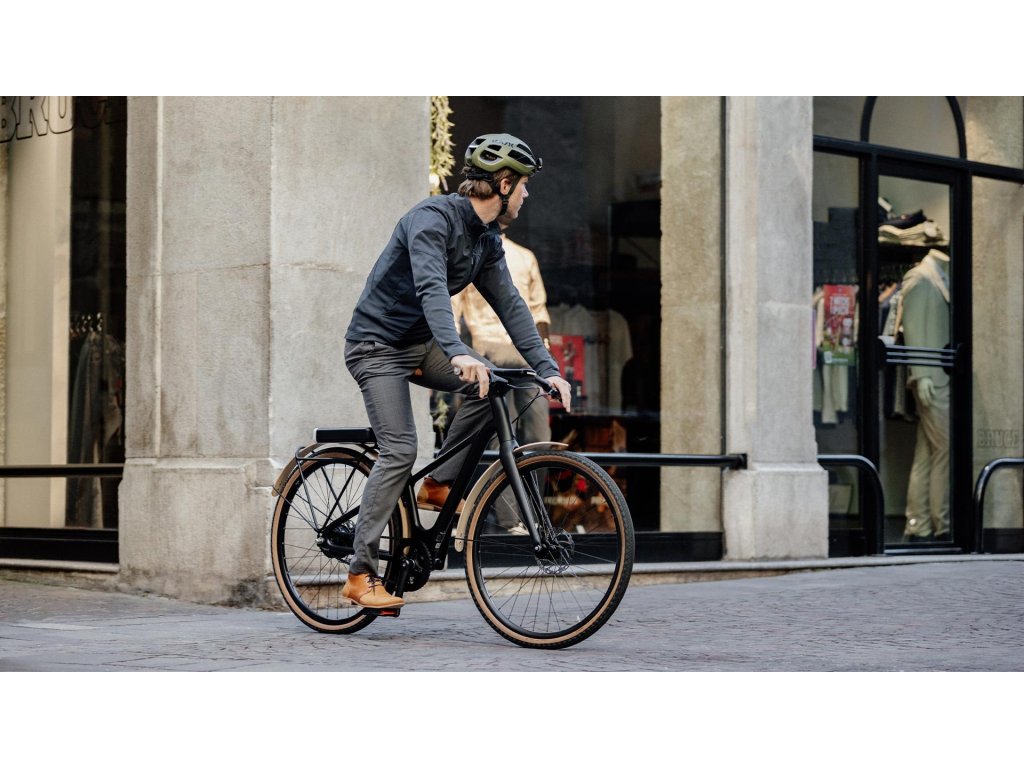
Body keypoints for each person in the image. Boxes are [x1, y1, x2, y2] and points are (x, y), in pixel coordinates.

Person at [341, 133, 572, 609]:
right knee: (400, 448)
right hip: (376, 347)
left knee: (496, 385)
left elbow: (512, 306)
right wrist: (457, 351)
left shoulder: (486, 240)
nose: (527, 194)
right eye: (524, 185)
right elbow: (430, 288)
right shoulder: (431, 220)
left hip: (420, 345)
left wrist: (548, 368)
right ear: (504, 185)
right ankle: (360, 573)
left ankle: (439, 484)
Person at [451, 217, 552, 447]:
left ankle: (539, 469)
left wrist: (545, 354)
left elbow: (538, 310)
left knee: (538, 429)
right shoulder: (470, 254)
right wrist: (453, 351)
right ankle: (501, 471)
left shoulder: (525, 256)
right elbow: (454, 306)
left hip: (524, 352)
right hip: (487, 349)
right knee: (498, 428)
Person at [900, 247, 951, 542]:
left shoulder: (940, 278)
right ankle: (941, 523)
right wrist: (921, 375)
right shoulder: (920, 278)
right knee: (945, 447)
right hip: (932, 380)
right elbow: (913, 328)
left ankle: (918, 524)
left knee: (927, 451)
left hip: (940, 377)